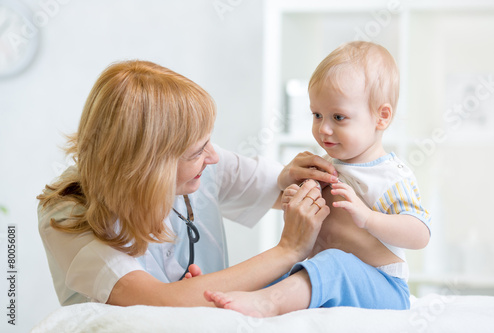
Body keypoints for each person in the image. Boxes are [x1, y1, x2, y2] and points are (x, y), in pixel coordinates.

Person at [37, 60, 338, 307]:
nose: (213, 157)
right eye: (196, 152)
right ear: (150, 167)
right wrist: (288, 250)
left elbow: (280, 186)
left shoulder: (201, 162)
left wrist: (293, 177)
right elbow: (152, 300)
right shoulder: (67, 214)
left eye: (209, 143)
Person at [204, 41, 431, 316]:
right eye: (317, 114)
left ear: (381, 117)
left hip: (383, 286)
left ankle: (268, 304)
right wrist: (292, 199)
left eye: (338, 117)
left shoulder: (390, 175)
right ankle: (215, 294)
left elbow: (420, 234)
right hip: (325, 276)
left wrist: (368, 217)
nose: (323, 128)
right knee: (283, 271)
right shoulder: (325, 168)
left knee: (333, 264)